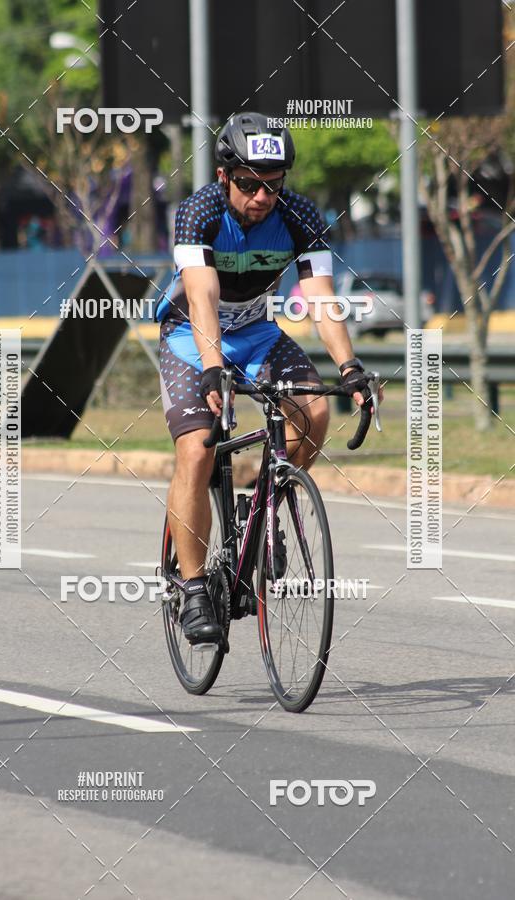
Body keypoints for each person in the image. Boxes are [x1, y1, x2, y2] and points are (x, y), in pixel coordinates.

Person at [155, 112, 372, 645]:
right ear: (226, 175)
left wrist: (349, 368)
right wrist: (210, 366)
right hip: (190, 337)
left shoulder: (299, 215)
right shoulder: (199, 211)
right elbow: (202, 297)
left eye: (272, 186)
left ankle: (264, 501)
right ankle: (195, 586)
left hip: (255, 334)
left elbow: (322, 301)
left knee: (314, 411)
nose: (261, 197)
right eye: (249, 184)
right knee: (199, 450)